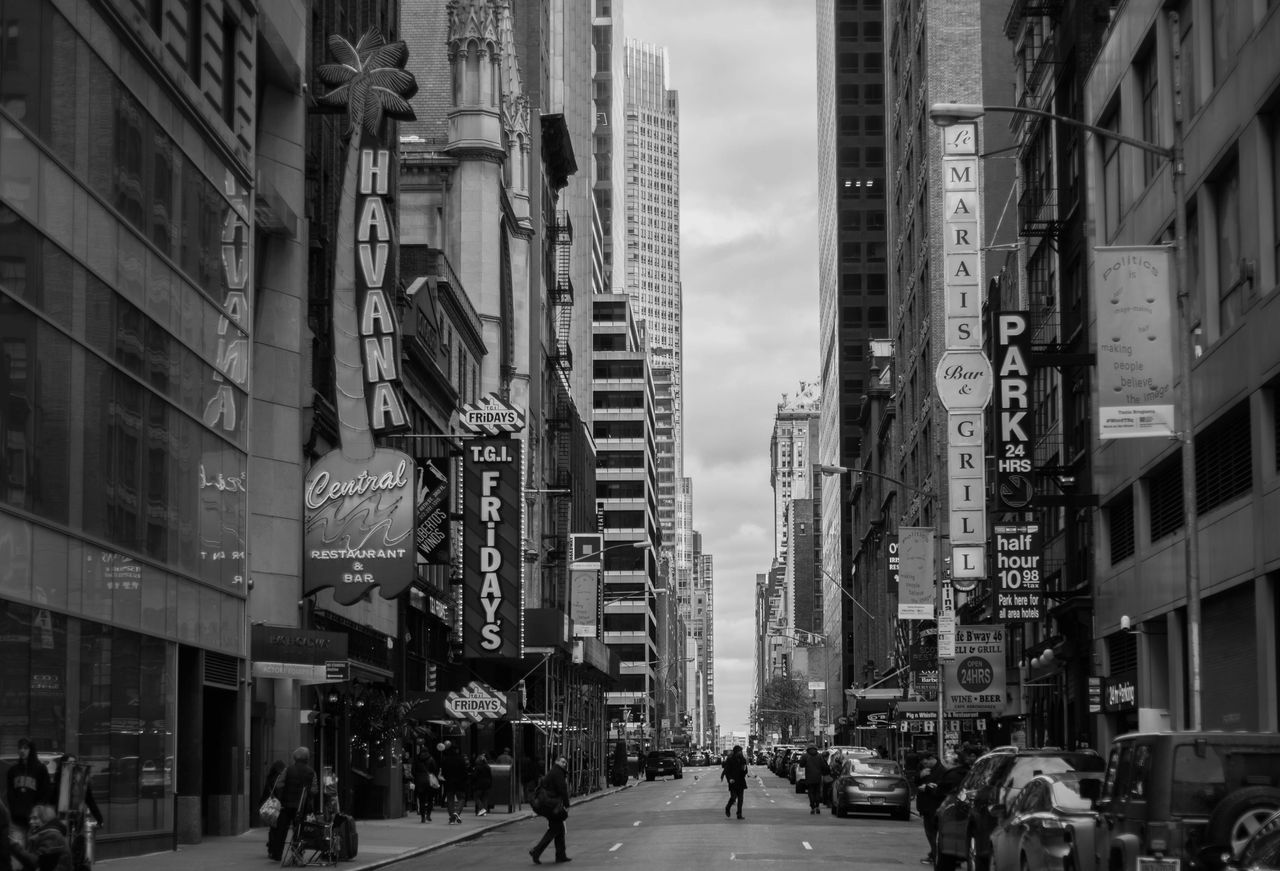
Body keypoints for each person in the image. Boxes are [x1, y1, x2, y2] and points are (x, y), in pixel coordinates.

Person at [267, 746, 319, 862]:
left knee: (281, 830)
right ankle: (297, 853)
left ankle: (277, 854)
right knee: (299, 830)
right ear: (307, 758)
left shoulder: (288, 769)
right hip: (302, 806)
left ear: (295, 758)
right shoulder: (311, 772)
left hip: (286, 805)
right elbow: (314, 790)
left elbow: (279, 784)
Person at [528, 756, 571, 865]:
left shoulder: (554, 771)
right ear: (557, 762)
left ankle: (560, 855)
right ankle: (536, 851)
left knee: (559, 829)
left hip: (548, 805)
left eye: (565, 762)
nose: (564, 764)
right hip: (551, 805)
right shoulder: (557, 772)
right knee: (554, 830)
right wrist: (567, 804)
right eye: (562, 761)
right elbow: (562, 789)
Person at [7, 738, 51, 839]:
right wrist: (14, 809)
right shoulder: (12, 771)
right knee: (19, 849)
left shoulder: (40, 769)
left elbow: (45, 792)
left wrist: (38, 810)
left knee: (33, 848)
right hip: (17, 819)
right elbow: (10, 793)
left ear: (31, 750)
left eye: (25, 748)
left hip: (35, 819)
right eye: (20, 748)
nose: (22, 751)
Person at [12, 804, 71, 871]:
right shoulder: (43, 835)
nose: (30, 822)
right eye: (30, 818)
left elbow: (37, 863)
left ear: (45, 819)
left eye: (35, 818)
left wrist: (14, 846)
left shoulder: (52, 836)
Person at [914, 751, 944, 865]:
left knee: (934, 832)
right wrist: (920, 775)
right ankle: (934, 853)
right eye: (923, 763)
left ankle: (936, 854)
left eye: (926, 762)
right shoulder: (922, 768)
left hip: (935, 806)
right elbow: (916, 781)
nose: (924, 764)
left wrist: (926, 787)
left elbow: (941, 788)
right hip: (925, 806)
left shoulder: (941, 770)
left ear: (932, 758)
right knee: (929, 832)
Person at [439, 741, 469, 825]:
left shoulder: (445, 759)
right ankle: (457, 812)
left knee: (450, 800)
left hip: (449, 782)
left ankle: (452, 818)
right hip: (460, 782)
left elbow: (443, 772)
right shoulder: (461, 759)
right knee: (461, 798)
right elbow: (464, 772)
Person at [411, 748, 439, 822]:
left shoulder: (417, 760)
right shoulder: (431, 759)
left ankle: (422, 817)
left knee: (422, 800)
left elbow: (413, 771)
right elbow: (435, 770)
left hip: (420, 781)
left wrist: (417, 777)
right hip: (429, 781)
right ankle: (428, 815)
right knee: (430, 799)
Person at [720, 745, 748, 820]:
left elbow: (745, 770)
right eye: (739, 751)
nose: (740, 753)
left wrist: (744, 770)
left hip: (741, 781)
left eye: (741, 752)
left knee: (740, 799)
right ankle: (727, 807)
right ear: (736, 752)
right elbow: (727, 770)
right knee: (733, 797)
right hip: (733, 782)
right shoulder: (730, 759)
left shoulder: (743, 760)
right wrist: (729, 779)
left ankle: (739, 814)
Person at [800, 745, 829, 814]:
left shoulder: (805, 756)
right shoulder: (819, 756)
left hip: (809, 777)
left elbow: (801, 765)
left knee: (811, 792)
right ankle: (817, 806)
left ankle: (812, 807)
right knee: (817, 792)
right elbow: (824, 766)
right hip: (818, 777)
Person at [471, 752, 493, 816]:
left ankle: (482, 809)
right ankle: (484, 812)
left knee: (476, 797)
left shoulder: (477, 767)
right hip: (487, 784)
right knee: (485, 798)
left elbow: (474, 776)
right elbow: (490, 776)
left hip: (479, 784)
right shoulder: (488, 767)